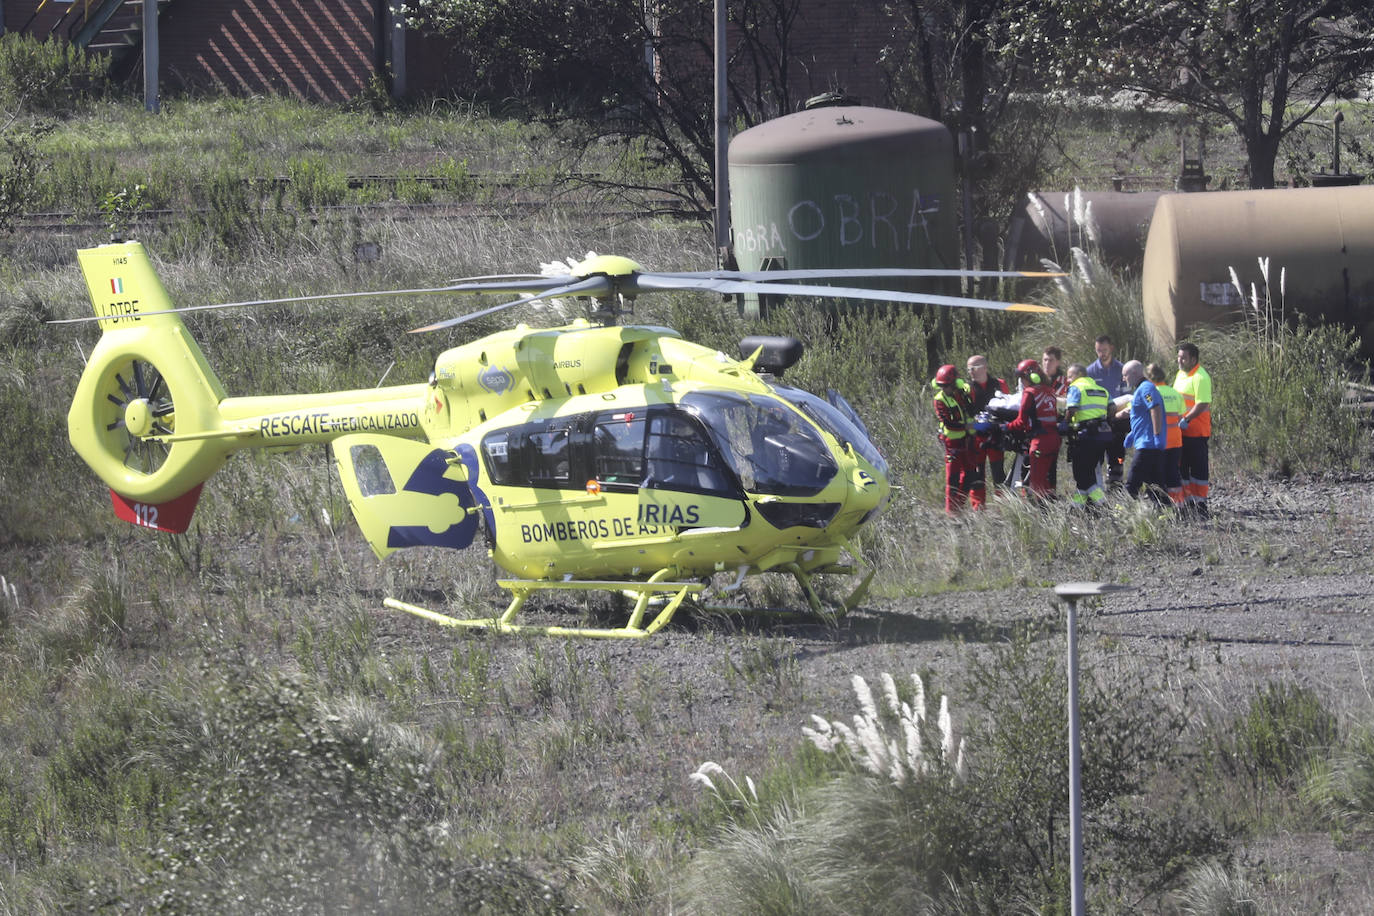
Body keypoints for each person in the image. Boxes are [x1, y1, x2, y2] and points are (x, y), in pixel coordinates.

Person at [931, 364, 984, 513]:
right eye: (942, 386)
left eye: (947, 385)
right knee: (953, 479)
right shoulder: (939, 400)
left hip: (967, 441)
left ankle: (958, 508)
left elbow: (972, 410)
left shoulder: (961, 394)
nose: (945, 389)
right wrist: (966, 427)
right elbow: (948, 422)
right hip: (952, 443)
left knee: (970, 475)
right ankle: (951, 513)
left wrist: (968, 396)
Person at [1006, 358, 1060, 499]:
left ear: (1030, 376)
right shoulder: (1050, 391)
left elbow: (1021, 422)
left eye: (1022, 378)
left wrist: (1005, 427)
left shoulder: (1029, 393)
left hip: (1040, 442)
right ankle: (1052, 510)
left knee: (1036, 483)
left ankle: (1038, 515)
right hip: (1054, 440)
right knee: (1048, 479)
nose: (1021, 382)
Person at [1063, 364, 1112, 510]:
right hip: (1101, 437)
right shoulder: (1101, 389)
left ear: (1078, 374)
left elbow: (1071, 408)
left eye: (1070, 376)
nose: (1068, 379)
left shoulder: (1076, 387)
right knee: (1088, 474)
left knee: (1082, 476)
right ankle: (1076, 508)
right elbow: (1113, 407)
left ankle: (1103, 505)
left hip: (1084, 437)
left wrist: (1065, 423)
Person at [1173, 341, 1213, 518]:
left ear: (1193, 359)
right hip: (1181, 433)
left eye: (1184, 358)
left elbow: (1202, 403)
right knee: (1182, 469)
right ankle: (1188, 501)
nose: (1180, 361)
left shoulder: (1200, 377)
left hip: (1196, 432)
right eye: (1179, 357)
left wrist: (1186, 418)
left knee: (1198, 470)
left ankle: (1201, 504)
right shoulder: (1180, 375)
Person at [1121, 359, 1166, 502]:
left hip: (1148, 445)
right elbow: (1144, 416)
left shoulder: (1146, 389)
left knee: (1132, 482)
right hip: (1145, 442)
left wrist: (1157, 434)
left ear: (1134, 373)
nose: (1124, 378)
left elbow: (1155, 408)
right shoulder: (1142, 389)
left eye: (1125, 374)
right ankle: (1164, 513)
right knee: (1155, 485)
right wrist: (1133, 434)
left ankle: (1126, 514)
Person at [1086, 334, 1127, 489]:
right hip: (1098, 419)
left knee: (1117, 454)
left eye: (1104, 350)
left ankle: (1116, 483)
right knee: (1097, 455)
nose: (1102, 353)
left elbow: (1126, 395)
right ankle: (1097, 484)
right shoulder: (1090, 371)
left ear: (1111, 348)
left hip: (1117, 419)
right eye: (1098, 350)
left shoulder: (1122, 370)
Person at [966, 354, 1009, 488]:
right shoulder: (967, 388)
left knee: (999, 474)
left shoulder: (999, 384)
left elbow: (1008, 406)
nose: (971, 372)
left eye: (973, 368)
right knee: (977, 476)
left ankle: (1003, 504)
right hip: (976, 436)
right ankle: (978, 508)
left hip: (995, 435)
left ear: (984, 368)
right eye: (969, 369)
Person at [1148, 362, 1185, 508]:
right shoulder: (1175, 393)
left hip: (1158, 442)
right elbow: (1181, 417)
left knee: (1156, 475)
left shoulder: (1150, 394)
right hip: (1175, 441)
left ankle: (1160, 507)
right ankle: (1179, 506)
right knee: (1173, 473)